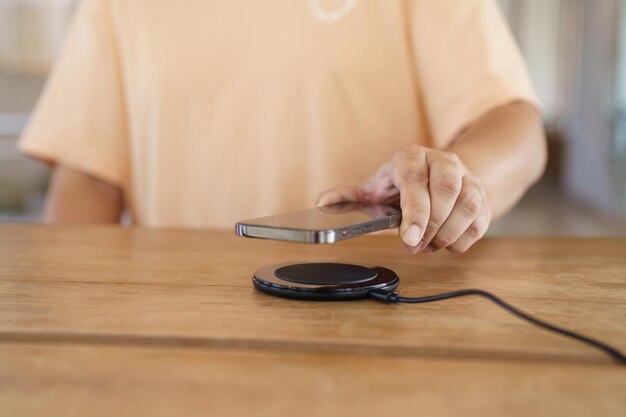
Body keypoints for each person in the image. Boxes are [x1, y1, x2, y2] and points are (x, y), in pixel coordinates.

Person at [19, 0, 546, 254]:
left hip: (385, 314)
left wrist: (454, 180)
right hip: (177, 326)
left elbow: (513, 124)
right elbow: (88, 178)